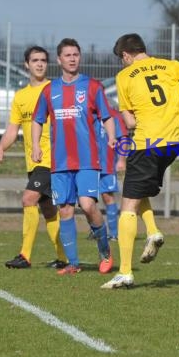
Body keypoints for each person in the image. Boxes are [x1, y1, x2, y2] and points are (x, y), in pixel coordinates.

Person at [101, 33, 179, 289]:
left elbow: (129, 122)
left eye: (122, 59)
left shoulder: (125, 76)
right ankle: (153, 231)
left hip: (146, 143)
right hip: (174, 144)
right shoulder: (173, 66)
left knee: (127, 206)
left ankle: (125, 272)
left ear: (126, 55)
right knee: (138, 189)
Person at [32, 38, 116, 275]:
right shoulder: (49, 90)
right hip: (60, 162)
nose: (72, 59)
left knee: (88, 206)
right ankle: (73, 264)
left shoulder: (92, 87)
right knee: (65, 210)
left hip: (87, 159)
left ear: (79, 57)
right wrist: (36, 145)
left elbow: (107, 116)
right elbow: (37, 120)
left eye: (75, 55)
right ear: (59, 60)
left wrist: (111, 137)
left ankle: (105, 251)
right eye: (67, 55)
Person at [0, 46, 66, 269]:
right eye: (35, 60)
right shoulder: (21, 96)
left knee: (28, 199)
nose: (40, 64)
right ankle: (64, 258)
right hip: (33, 161)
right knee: (48, 210)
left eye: (43, 60)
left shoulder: (55, 90)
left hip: (51, 158)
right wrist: (1, 147)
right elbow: (12, 129)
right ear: (26, 64)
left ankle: (24, 255)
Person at [97, 106, 128, 240]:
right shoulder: (86, 112)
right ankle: (96, 230)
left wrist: (121, 160)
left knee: (107, 196)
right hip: (87, 163)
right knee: (86, 199)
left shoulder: (113, 115)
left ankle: (114, 233)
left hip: (107, 163)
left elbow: (123, 139)